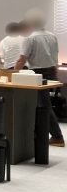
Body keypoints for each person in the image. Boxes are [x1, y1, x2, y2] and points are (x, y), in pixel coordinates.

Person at [15, 9, 64, 147]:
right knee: (43, 105)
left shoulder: (30, 38)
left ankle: (57, 136)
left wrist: (13, 74)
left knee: (43, 106)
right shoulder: (52, 36)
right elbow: (55, 57)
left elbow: (22, 60)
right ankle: (39, 134)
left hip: (37, 74)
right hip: (51, 72)